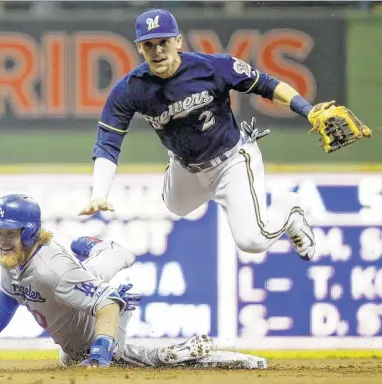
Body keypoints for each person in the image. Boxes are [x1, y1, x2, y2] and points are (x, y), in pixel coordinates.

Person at [77, 7, 367, 261]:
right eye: (148, 45)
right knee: (175, 207)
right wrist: (99, 193)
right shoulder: (130, 89)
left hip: (231, 161)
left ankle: (289, 211)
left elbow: (265, 84)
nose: (157, 51)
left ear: (178, 41)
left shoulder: (212, 67)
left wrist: (307, 109)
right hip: (185, 166)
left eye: (164, 42)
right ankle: (178, 166)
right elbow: (108, 142)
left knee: (251, 241)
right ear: (139, 48)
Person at [0, 194, 215, 369]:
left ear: (28, 233)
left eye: (10, 233)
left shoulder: (52, 270)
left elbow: (109, 303)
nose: (3, 241)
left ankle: (175, 353)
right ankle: (108, 251)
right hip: (73, 314)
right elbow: (8, 297)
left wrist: (100, 353)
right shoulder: (13, 259)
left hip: (94, 325)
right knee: (71, 353)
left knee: (120, 356)